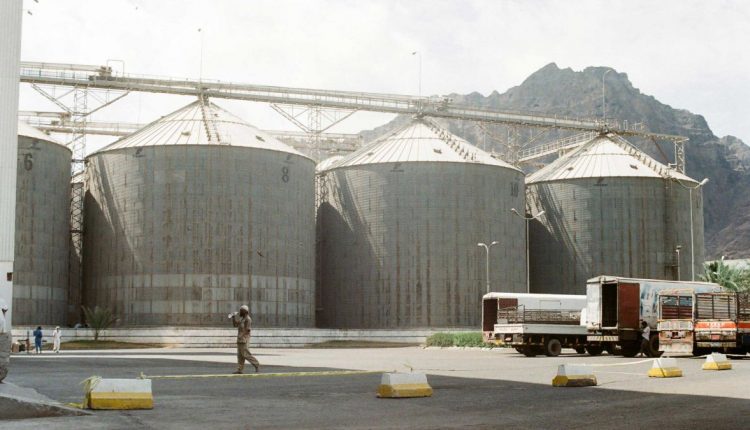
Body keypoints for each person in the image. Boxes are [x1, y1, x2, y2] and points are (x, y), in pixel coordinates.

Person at [229, 305, 259, 374]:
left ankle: (256, 364)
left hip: (244, 339)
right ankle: (240, 369)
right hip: (240, 339)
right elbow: (235, 325)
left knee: (246, 354)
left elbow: (248, 330)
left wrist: (242, 335)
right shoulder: (241, 319)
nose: (240, 312)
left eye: (241, 310)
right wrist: (233, 318)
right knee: (240, 355)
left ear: (245, 311)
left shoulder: (248, 319)